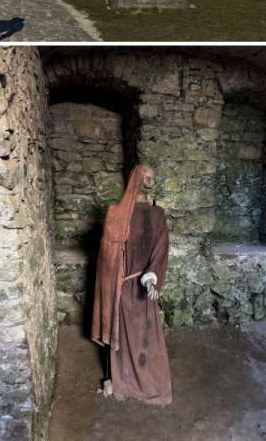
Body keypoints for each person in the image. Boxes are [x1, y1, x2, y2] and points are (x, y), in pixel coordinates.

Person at [91, 164, 172, 405]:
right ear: (134, 179)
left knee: (147, 337)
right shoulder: (116, 214)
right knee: (123, 338)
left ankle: (149, 383)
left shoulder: (157, 215)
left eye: (152, 178)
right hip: (122, 288)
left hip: (145, 287)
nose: (149, 182)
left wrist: (152, 276)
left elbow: (161, 249)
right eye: (145, 177)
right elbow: (107, 256)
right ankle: (121, 381)